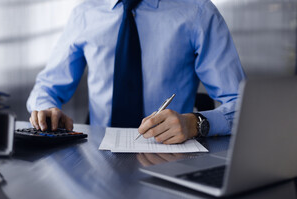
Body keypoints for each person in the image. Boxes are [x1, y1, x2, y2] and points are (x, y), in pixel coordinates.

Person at [27, 0, 246, 144]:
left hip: (171, 161)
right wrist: (45, 107)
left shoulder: (198, 13)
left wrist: (194, 124)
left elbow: (242, 106)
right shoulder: (84, 14)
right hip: (96, 160)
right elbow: (47, 87)